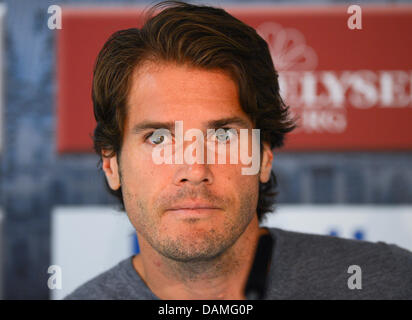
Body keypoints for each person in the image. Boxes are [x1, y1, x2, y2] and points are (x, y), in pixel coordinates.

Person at [65, 1, 412, 300]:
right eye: (159, 138)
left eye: (222, 135)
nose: (194, 168)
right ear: (111, 165)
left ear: (263, 156)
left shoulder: (390, 282)